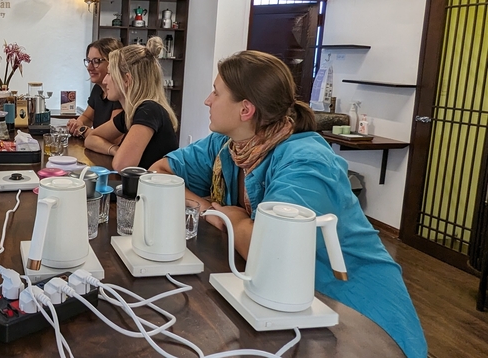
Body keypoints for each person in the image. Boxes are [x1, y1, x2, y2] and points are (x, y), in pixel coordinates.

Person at [150, 50, 427, 358]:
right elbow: (158, 173)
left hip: (354, 311)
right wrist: (211, 211)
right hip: (283, 301)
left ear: (245, 109)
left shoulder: (306, 158)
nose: (207, 100)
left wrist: (238, 222)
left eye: (216, 93)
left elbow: (271, 252)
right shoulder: (228, 144)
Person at [84, 37, 179, 170]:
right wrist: (113, 149)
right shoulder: (132, 113)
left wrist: (117, 152)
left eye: (110, 74)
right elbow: (90, 139)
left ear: (126, 79)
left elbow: (122, 165)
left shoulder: (148, 110)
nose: (105, 81)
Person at [66, 37, 123, 137]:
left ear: (113, 63)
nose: (89, 67)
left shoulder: (119, 94)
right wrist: (77, 124)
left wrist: (84, 130)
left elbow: (113, 137)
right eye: (88, 61)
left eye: (96, 61)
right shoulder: (98, 89)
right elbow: (88, 118)